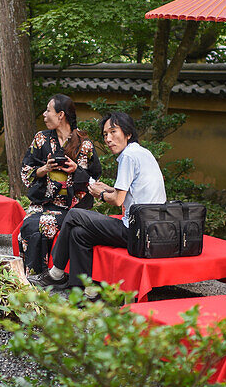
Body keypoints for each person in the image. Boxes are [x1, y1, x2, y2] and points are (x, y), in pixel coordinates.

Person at [31, 110, 166, 290]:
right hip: (153, 228)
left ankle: (56, 273)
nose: (108, 139)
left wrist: (100, 194)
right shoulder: (143, 153)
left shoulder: (127, 156)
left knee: (74, 215)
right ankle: (85, 292)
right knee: (80, 234)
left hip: (136, 231)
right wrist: (108, 188)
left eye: (113, 132)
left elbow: (118, 201)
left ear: (128, 133)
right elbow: (135, 188)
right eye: (105, 134)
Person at [18, 94, 102, 275]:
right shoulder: (41, 139)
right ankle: (35, 276)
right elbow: (26, 171)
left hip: (72, 208)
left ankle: (39, 277)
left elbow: (94, 180)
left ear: (61, 115)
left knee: (41, 224)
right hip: (42, 202)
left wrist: (76, 170)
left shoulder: (84, 144)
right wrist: (45, 168)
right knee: (28, 225)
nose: (44, 115)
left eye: (48, 110)